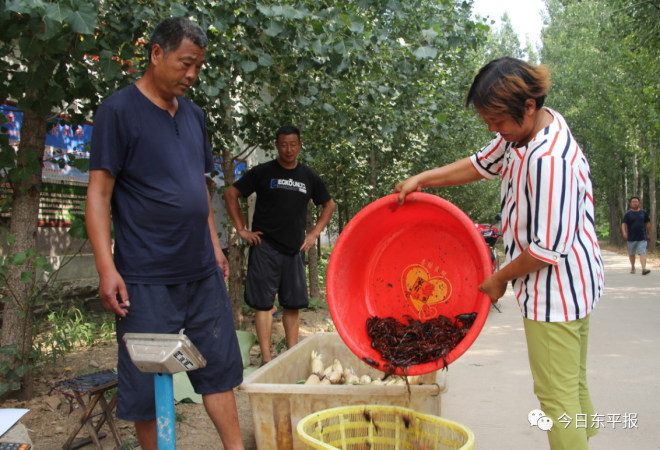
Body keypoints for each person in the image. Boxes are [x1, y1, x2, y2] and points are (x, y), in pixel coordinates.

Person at [395, 57, 605, 450]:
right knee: (571, 384)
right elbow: (480, 164)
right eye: (487, 121)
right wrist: (424, 179)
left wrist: (498, 278)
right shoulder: (524, 132)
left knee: (556, 399)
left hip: (555, 295)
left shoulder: (549, 159)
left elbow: (545, 250)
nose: (493, 129)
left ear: (528, 105)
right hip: (576, 284)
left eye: (498, 120)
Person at [86, 18, 244, 450]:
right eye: (185, 63)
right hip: (145, 278)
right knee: (145, 386)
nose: (191, 75)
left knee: (219, 370)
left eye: (198, 67)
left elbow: (199, 186)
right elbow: (99, 195)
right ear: (157, 54)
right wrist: (106, 268)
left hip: (201, 273)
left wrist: (214, 246)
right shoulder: (117, 112)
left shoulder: (194, 115)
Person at [224, 126, 335, 364]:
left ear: (299, 145)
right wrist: (242, 230)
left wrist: (314, 233)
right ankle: (266, 358)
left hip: (295, 249)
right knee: (263, 305)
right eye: (284, 144)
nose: (288, 149)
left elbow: (329, 205)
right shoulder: (263, 172)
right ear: (277, 146)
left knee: (292, 304)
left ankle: (291, 357)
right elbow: (231, 194)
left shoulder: (308, 176)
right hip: (265, 247)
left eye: (293, 144)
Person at [621, 196, 652, 275]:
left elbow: (648, 224)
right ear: (631, 203)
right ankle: (632, 266)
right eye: (633, 202)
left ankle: (643, 269)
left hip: (642, 237)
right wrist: (624, 232)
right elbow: (624, 224)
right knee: (631, 254)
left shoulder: (643, 213)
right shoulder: (628, 214)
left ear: (639, 203)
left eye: (636, 202)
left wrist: (649, 234)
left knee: (642, 252)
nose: (635, 203)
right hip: (631, 237)